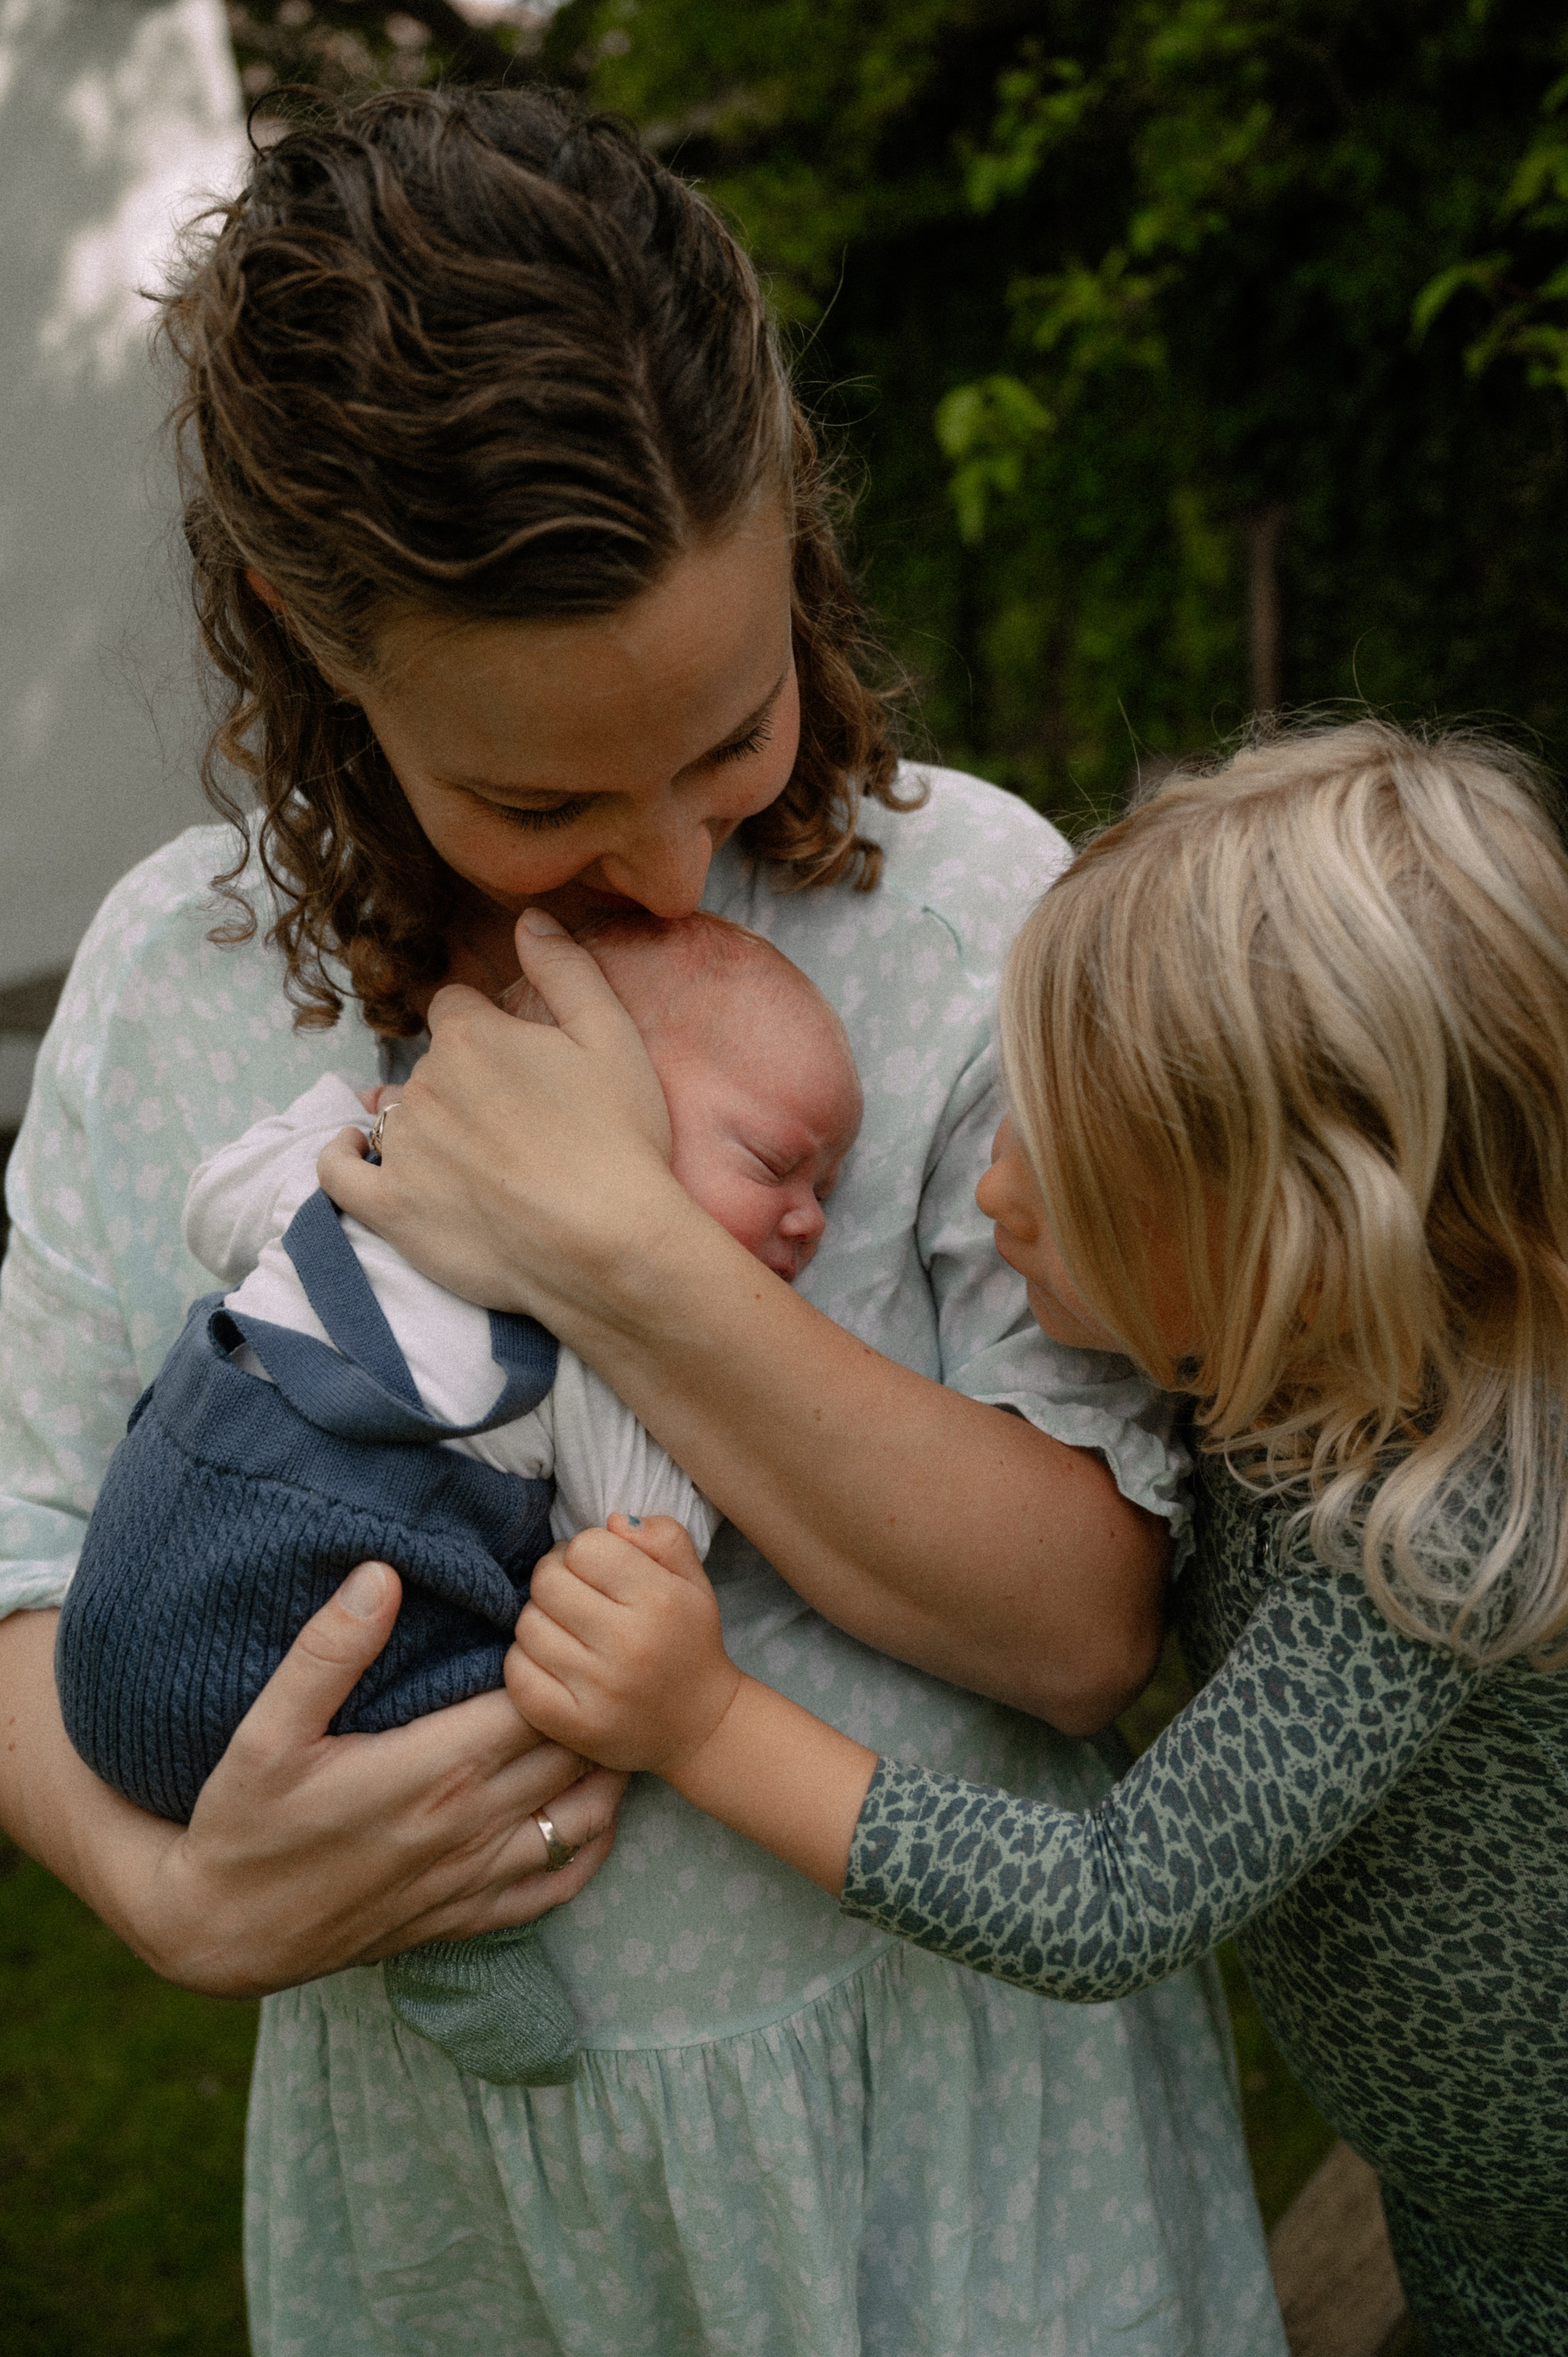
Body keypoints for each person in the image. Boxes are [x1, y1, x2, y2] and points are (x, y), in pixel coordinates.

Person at [0, 83, 1285, 2355]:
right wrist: (168, 1888)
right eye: (539, 793)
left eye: (733, 725)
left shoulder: (972, 907)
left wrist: (622, 1248)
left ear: (788, 516)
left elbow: (1090, 1623)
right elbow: (17, 1565)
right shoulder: (177, 988)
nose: (679, 860)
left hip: (974, 2156)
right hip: (475, 2213)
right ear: (315, 631)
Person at [510, 722, 1568, 2357]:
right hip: (1461, 2202)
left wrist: (702, 1719)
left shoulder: (1436, 1523)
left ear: (1296, 1239)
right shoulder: (1275, 1389)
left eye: (1066, 1172)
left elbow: (1110, 1901)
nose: (992, 1199)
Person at [54, 910, 860, 2089]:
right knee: (554, 1670)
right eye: (773, 1163)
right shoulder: (597, 1358)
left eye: (827, 1188)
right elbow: (642, 1556)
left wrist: (339, 1136)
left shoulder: (368, 1172)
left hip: (117, 1631)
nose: (812, 1219)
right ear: (586, 1095)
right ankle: (447, 1935)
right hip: (292, 1675)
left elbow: (215, 1206)